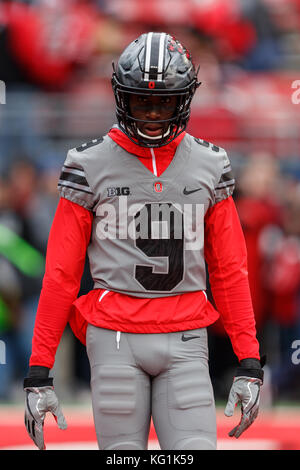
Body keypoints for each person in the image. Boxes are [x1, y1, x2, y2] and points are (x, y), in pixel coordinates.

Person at [23, 32, 264, 451]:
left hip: (187, 332)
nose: (153, 114)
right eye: (141, 100)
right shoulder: (89, 163)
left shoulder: (210, 163)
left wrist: (249, 361)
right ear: (121, 97)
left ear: (185, 99)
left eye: (165, 101)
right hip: (114, 333)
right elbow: (60, 274)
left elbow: (229, 269)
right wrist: (39, 369)